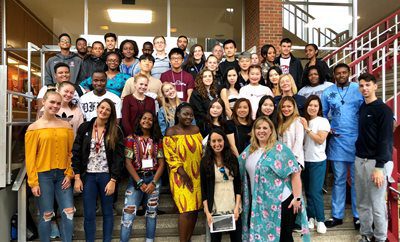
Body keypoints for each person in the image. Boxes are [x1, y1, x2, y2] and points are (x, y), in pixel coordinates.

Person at [237, 116, 310, 242]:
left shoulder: (280, 149)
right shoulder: (249, 151)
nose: (261, 131)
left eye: (265, 128)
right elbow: (236, 168)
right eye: (258, 128)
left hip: (281, 202)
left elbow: (295, 173)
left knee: (284, 238)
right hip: (259, 205)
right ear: (254, 131)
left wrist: (297, 197)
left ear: (271, 131)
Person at [25, 90, 75, 242]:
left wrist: (69, 172)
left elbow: (71, 153)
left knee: (69, 212)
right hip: (43, 176)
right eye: (52, 102)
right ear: (44, 102)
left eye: (58, 103)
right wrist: (33, 182)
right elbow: (30, 158)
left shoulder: (66, 126)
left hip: (63, 175)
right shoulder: (34, 128)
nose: (55, 105)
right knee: (46, 214)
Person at [72, 98, 124, 242]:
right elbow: (76, 152)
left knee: (108, 212)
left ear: (111, 113)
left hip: (106, 177)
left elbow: (119, 158)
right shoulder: (85, 127)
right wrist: (77, 177)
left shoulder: (115, 130)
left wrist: (113, 180)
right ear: (97, 108)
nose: (104, 111)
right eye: (102, 107)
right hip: (88, 176)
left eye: (108, 109)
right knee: (89, 214)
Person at [321, 63, 363, 229]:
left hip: (357, 141)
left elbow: (372, 104)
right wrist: (328, 128)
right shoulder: (328, 92)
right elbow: (323, 114)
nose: (341, 75)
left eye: (344, 72)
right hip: (338, 142)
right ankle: (337, 215)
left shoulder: (358, 89)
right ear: (334, 75)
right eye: (338, 73)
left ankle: (358, 216)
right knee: (338, 179)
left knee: (356, 180)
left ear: (349, 73)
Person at [355, 73, 393, 242]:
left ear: (375, 86)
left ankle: (381, 237)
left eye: (368, 85)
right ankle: (366, 235)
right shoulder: (363, 108)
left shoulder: (383, 110)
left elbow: (385, 139)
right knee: (362, 203)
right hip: (359, 160)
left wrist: (379, 166)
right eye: (361, 85)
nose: (364, 88)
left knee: (377, 204)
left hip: (375, 163)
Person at [120, 111, 165, 242]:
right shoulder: (131, 139)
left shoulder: (158, 140)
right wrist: (140, 182)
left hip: (153, 179)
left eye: (150, 119)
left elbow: (162, 164)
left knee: (151, 213)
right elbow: (128, 163)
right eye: (144, 118)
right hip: (136, 180)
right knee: (128, 215)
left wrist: (153, 183)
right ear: (139, 121)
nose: (147, 121)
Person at [163, 103, 203, 242]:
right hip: (180, 175)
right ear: (178, 114)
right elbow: (170, 157)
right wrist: (184, 174)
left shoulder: (196, 129)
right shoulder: (171, 132)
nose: (189, 117)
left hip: (197, 175)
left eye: (191, 115)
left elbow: (201, 151)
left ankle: (188, 238)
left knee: (195, 210)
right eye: (185, 114)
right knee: (186, 209)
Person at [200, 128, 242, 242]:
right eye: (213, 141)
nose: (217, 144)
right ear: (209, 143)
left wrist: (237, 207)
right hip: (215, 209)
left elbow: (238, 184)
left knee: (237, 239)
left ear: (224, 141)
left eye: (220, 140)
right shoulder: (205, 162)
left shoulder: (232, 159)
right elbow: (203, 188)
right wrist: (207, 212)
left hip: (233, 208)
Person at [300, 95, 330, 234]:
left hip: (318, 161)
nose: (312, 108)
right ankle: (311, 217)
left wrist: (307, 129)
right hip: (304, 160)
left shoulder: (323, 121)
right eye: (310, 105)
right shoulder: (303, 121)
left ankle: (321, 220)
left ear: (319, 108)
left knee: (316, 191)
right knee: (308, 192)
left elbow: (320, 139)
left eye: (315, 106)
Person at [277, 96, 304, 168]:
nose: (286, 109)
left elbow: (299, 141)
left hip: (294, 160)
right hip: (282, 159)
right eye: (283, 106)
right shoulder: (281, 122)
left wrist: (292, 158)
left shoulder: (298, 120)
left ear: (294, 107)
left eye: (289, 106)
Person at [189, 68, 218, 137]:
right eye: (205, 76)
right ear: (200, 79)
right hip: (203, 126)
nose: (208, 78)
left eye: (210, 76)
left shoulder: (214, 91)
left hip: (215, 122)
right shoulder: (196, 93)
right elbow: (200, 112)